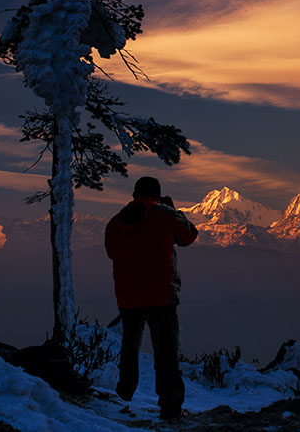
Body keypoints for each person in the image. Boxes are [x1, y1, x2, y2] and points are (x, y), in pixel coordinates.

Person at [104, 176, 199, 420]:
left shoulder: (115, 222)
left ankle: (122, 396)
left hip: (127, 297)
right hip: (160, 295)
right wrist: (172, 211)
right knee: (166, 351)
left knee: (129, 346)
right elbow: (189, 236)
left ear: (134, 194)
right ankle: (170, 407)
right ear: (157, 195)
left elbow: (111, 252)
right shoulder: (164, 215)